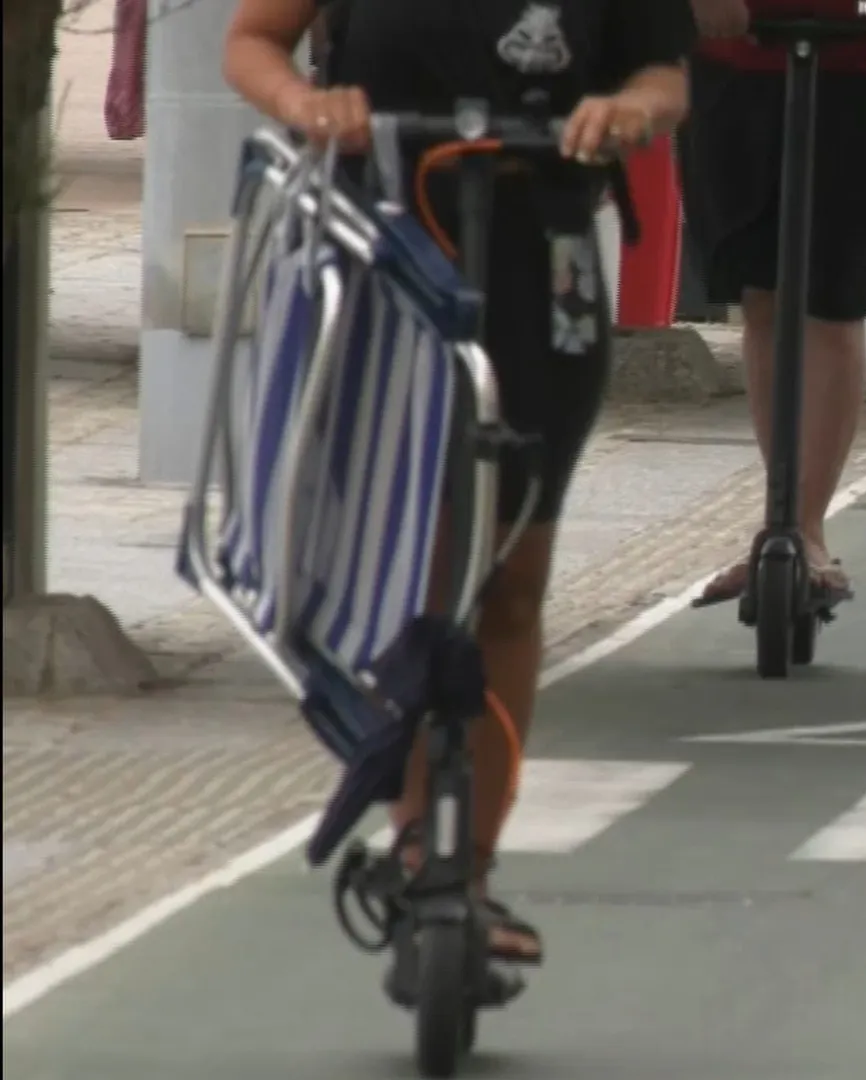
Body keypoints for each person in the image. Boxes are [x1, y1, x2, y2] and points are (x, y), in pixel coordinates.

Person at [223, 0, 694, 988]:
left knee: (514, 576)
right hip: (387, 245)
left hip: (543, 255)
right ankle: (407, 834)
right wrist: (310, 104)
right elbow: (251, 41)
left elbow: (668, 73)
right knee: (414, 554)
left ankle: (468, 868)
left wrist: (628, 113)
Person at [679, 0, 866, 607]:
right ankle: (784, 517)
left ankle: (804, 529)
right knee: (762, 297)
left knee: (833, 300)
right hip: (735, 61)